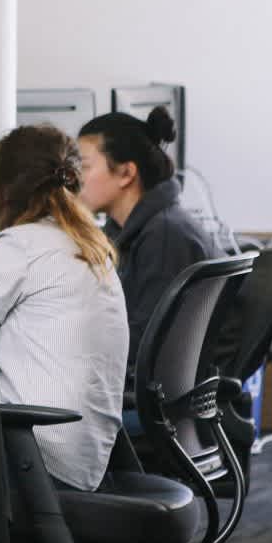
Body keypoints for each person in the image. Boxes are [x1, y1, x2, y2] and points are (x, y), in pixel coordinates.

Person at [0, 125, 127, 490]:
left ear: (4, 189)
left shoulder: (20, 245)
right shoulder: (90, 245)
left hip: (39, 458)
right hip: (84, 456)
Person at [76, 106, 226, 373]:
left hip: (153, 388)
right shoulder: (132, 230)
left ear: (126, 173)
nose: (76, 178)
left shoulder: (164, 238)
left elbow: (143, 344)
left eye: (84, 167)